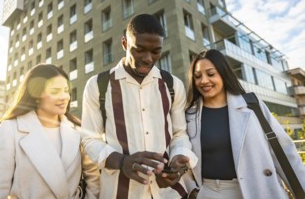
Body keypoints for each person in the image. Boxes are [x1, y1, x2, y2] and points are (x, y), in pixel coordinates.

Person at [81, 13, 198, 198]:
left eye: (156, 51)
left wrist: (178, 158)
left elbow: (179, 134)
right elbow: (89, 140)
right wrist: (122, 162)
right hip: (119, 192)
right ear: (124, 43)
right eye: (139, 49)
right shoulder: (97, 85)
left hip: (168, 193)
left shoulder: (173, 85)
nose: (148, 58)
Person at [182, 49, 305, 199]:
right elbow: (182, 155)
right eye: (198, 76)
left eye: (211, 74)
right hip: (210, 193)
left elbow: (284, 150)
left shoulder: (252, 104)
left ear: (223, 74)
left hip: (260, 189)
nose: (204, 80)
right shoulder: (189, 114)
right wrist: (193, 190)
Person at [0, 64, 100, 199]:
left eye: (66, 90)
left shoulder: (78, 130)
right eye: (55, 91)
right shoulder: (10, 129)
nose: (64, 97)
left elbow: (94, 178)